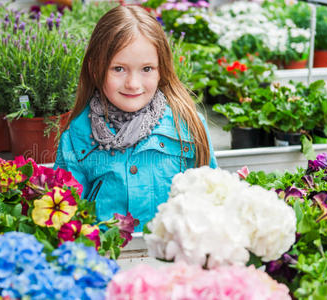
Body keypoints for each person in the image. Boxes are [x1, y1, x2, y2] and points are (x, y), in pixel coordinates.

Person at [54, 5, 217, 231]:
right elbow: (64, 220)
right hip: (107, 262)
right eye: (119, 69)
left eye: (147, 69)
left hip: (174, 263)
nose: (133, 83)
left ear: (162, 69)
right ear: (94, 69)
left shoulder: (188, 126)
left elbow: (212, 201)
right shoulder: (77, 138)